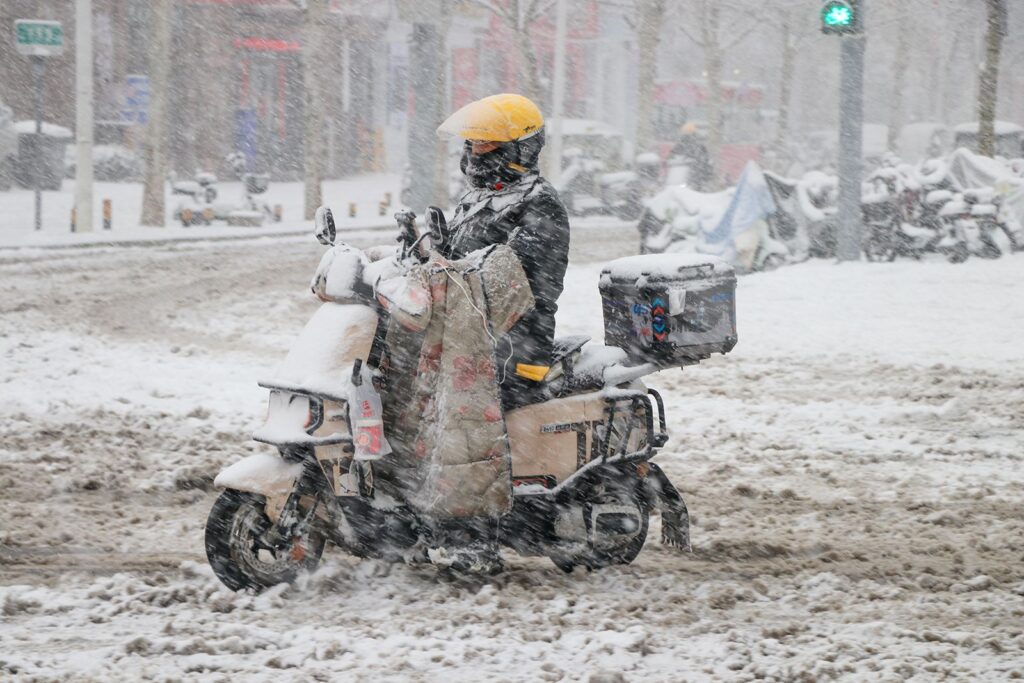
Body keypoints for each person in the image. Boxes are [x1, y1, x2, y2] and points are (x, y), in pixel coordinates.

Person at [436, 93, 571, 411]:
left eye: (485, 143)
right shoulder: (478, 198)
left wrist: (453, 273)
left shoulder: (539, 203)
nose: (474, 151)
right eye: (471, 142)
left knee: (468, 435)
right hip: (465, 339)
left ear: (521, 147)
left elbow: (511, 280)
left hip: (513, 351)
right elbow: (458, 260)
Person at [670, 122, 713, 191]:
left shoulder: (698, 147)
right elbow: (671, 158)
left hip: (693, 179)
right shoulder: (680, 146)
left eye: (687, 135)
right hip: (682, 177)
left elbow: (704, 162)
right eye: (685, 136)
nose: (686, 138)